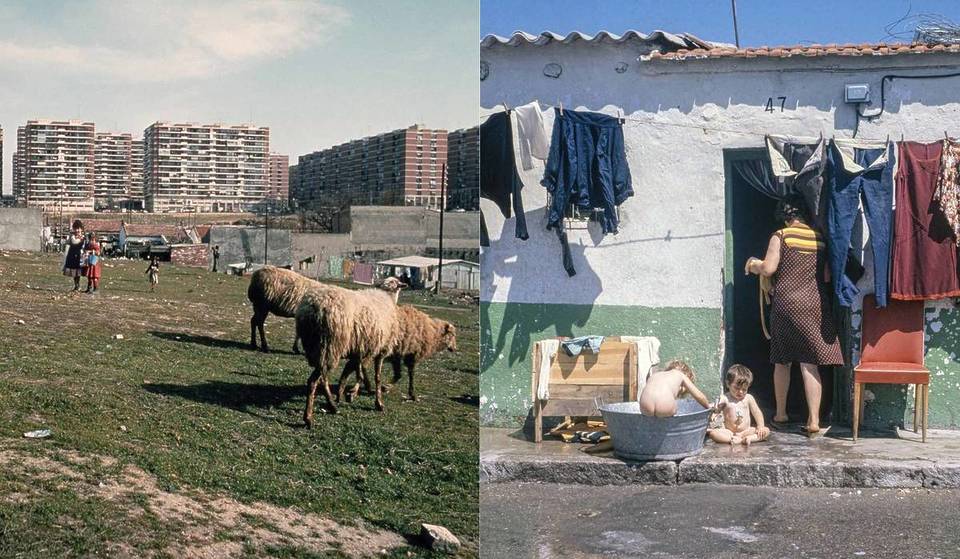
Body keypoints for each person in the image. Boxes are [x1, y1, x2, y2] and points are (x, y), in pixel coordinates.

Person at [745, 196, 843, 438]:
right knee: (810, 364)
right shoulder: (819, 238)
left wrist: (753, 264)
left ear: (785, 215)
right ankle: (814, 420)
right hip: (815, 304)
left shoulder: (781, 236)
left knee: (783, 360)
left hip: (787, 304)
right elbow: (828, 276)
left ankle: (780, 414)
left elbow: (769, 268)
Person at [707, 365, 770, 446]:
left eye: (744, 389)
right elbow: (718, 405)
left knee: (766, 430)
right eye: (737, 388)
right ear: (728, 384)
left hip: (746, 431)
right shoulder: (726, 398)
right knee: (713, 434)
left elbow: (757, 412)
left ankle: (749, 438)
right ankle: (733, 440)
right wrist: (717, 406)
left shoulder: (749, 398)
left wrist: (760, 426)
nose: (740, 392)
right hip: (729, 432)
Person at [638, 359, 713, 417]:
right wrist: (708, 408)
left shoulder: (656, 375)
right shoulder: (680, 375)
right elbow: (699, 396)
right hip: (665, 404)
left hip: (645, 404)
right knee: (674, 415)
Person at [62, 220, 86, 292]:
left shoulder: (84, 237)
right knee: (74, 272)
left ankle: (81, 286)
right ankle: (76, 285)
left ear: (81, 229)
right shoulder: (72, 237)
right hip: (72, 256)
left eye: (78, 228)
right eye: (76, 228)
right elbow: (70, 243)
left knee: (79, 271)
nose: (77, 230)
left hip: (80, 256)